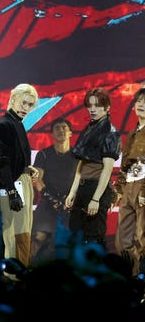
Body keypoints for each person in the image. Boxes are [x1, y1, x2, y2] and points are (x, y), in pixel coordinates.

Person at [0, 83, 39, 267]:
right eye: (23, 103)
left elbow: (12, 158)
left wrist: (27, 168)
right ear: (13, 99)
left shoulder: (15, 124)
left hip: (20, 184)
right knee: (15, 237)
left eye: (30, 105)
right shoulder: (4, 125)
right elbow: (1, 161)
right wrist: (12, 192)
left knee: (22, 235)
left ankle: (18, 275)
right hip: (13, 188)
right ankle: (13, 278)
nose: (26, 108)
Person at [64, 87, 121, 249]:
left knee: (93, 240)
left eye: (97, 105)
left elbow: (107, 169)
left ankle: (96, 274)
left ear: (107, 107)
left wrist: (96, 198)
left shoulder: (111, 133)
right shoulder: (89, 129)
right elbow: (81, 163)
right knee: (76, 237)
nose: (92, 109)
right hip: (82, 188)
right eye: (90, 105)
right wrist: (73, 191)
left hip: (96, 189)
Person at [31, 117, 78, 265]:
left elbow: (81, 179)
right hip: (48, 202)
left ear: (70, 133)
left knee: (71, 243)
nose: (61, 130)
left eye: (64, 128)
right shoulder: (44, 154)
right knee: (38, 238)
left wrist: (70, 200)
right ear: (52, 134)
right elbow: (37, 180)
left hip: (71, 204)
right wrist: (52, 199)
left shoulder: (78, 156)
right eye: (57, 128)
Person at [114, 87, 145, 276]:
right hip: (129, 187)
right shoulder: (133, 132)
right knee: (123, 240)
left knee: (142, 238)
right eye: (139, 101)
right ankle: (132, 279)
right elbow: (125, 165)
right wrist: (119, 189)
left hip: (142, 187)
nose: (141, 104)